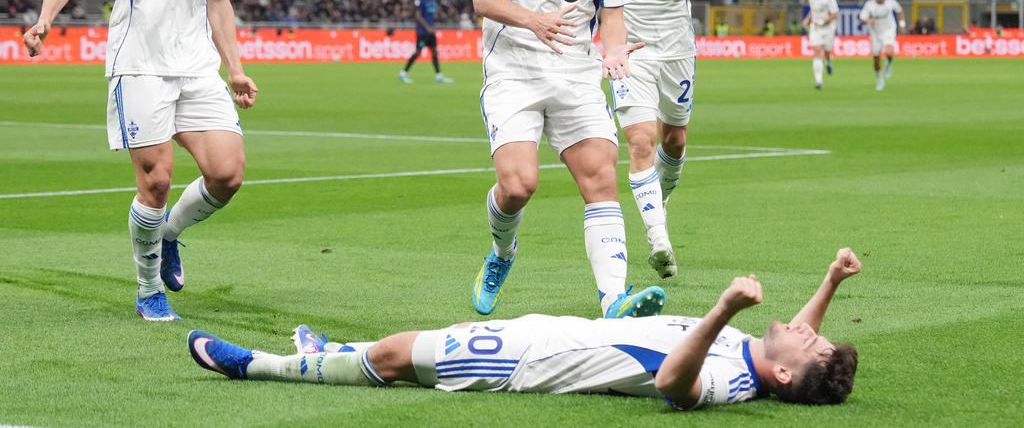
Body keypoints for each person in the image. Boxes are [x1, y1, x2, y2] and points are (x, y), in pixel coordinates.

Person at [22, 0, 258, 321]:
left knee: (228, 173)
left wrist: (234, 67)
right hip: (140, 62)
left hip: (197, 65)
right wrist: (45, 19)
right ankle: (149, 288)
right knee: (155, 182)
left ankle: (169, 235)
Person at [188, 248, 861, 410]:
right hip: (557, 332)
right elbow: (800, 342)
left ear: (782, 374)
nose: (806, 332)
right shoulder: (762, 358)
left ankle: (256, 364)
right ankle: (331, 352)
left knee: (397, 355)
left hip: (531, 363)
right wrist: (830, 281)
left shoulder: (729, 375)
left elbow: (672, 384)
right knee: (420, 339)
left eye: (811, 345)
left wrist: (722, 310)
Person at [469, 0, 664, 320]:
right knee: (517, 187)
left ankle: (613, 300)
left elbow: (612, 16)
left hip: (576, 73)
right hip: (513, 70)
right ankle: (501, 255)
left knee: (601, 178)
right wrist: (532, 19)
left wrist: (615, 51)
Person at [601, 0, 717, 280]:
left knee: (676, 141)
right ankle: (658, 238)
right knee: (641, 142)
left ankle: (659, 206)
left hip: (677, 47)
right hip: (629, 49)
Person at [398, 0, 453, 84]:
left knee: (434, 51)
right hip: (423, 32)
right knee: (418, 52)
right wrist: (428, 28)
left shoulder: (433, 0)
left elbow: (433, 14)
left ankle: (439, 75)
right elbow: (418, 15)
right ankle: (403, 73)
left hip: (430, 31)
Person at [858, 0, 905, 91]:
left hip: (888, 29)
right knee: (876, 58)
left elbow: (900, 11)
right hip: (875, 32)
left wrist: (902, 25)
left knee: (889, 52)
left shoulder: (891, 2)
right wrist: (867, 21)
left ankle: (888, 64)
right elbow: (861, 19)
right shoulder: (869, 5)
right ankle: (879, 79)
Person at [802, 0, 839, 89]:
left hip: (828, 28)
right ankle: (819, 81)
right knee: (817, 51)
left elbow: (835, 14)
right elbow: (813, 10)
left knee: (827, 52)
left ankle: (828, 62)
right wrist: (807, 19)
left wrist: (823, 21)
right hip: (816, 28)